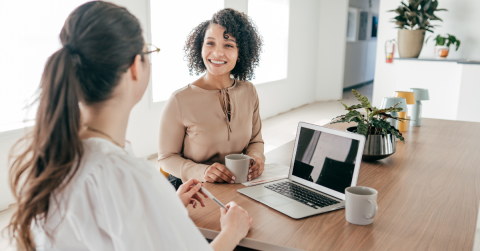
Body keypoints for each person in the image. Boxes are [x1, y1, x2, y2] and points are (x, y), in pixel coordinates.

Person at [6, 2, 252, 250]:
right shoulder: (130, 177)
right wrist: (233, 231)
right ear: (135, 67)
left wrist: (168, 207)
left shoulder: (53, 158)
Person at [158, 8, 265, 188]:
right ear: (200, 47)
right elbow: (166, 158)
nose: (217, 53)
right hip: (192, 189)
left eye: (228, 45)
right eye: (210, 43)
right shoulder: (180, 99)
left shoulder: (249, 91)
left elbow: (255, 140)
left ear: (241, 53)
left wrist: (257, 158)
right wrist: (203, 172)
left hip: (237, 185)